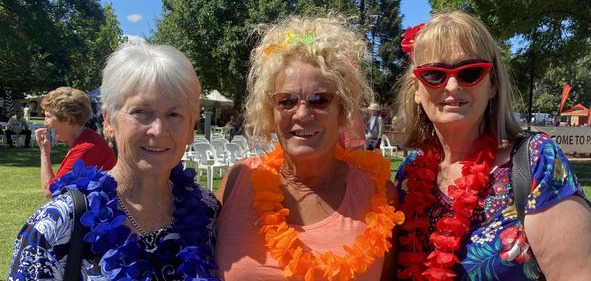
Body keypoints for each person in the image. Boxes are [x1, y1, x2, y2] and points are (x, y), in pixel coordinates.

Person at [394, 11, 591, 280]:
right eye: (434, 74)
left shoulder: (536, 161)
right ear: (416, 89)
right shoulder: (409, 174)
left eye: (470, 72)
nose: (451, 85)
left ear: (493, 83)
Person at [9, 43, 221, 280]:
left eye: (174, 114)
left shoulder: (209, 213)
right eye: (141, 111)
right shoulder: (56, 226)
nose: (158, 130)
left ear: (191, 128)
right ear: (108, 122)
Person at [215, 16, 404, 280]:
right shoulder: (236, 182)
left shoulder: (379, 195)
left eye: (319, 99)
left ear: (343, 108)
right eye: (286, 101)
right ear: (271, 110)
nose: (302, 114)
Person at [35, 87, 117, 198]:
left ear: (67, 118)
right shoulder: (86, 140)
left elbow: (50, 191)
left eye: (48, 116)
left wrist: (44, 152)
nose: (45, 123)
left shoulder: (86, 148)